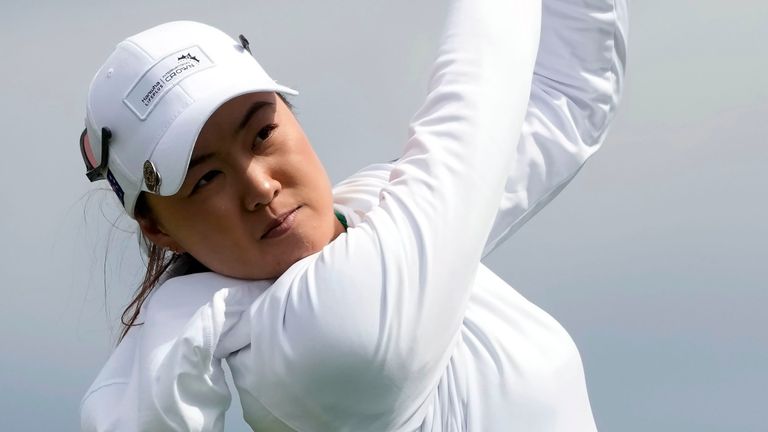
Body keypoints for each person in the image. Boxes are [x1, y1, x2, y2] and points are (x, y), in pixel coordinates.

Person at [80, 0, 628, 430]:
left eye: (263, 133)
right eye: (205, 178)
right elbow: (481, 88)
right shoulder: (329, 332)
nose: (260, 186)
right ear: (159, 229)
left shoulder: (373, 211)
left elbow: (560, 99)